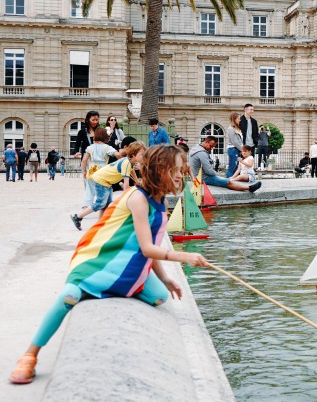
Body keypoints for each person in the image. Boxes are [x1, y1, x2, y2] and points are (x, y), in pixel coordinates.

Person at [9, 144, 212, 385]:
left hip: (131, 265)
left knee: (159, 297)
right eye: (177, 169)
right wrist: (184, 257)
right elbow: (148, 248)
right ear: (160, 169)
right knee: (69, 296)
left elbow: (152, 245)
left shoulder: (161, 201)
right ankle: (30, 354)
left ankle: (126, 284)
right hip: (100, 262)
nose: (181, 174)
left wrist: (165, 278)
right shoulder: (138, 198)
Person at [71, 141, 146, 230]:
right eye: (142, 154)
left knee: (106, 205)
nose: (144, 156)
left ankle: (100, 224)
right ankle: (78, 216)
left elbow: (131, 170)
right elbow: (126, 188)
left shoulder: (129, 162)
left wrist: (137, 181)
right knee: (100, 203)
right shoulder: (126, 164)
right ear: (133, 155)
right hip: (102, 180)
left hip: (105, 181)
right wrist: (136, 190)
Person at [189, 135, 262, 192]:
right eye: (211, 146)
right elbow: (208, 171)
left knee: (226, 180)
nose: (211, 148)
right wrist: (216, 174)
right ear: (206, 142)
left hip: (197, 177)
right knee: (227, 182)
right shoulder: (202, 153)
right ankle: (250, 188)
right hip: (203, 178)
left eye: (213, 147)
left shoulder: (195, 148)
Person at [226, 112, 243, 178]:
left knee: (236, 168)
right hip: (233, 149)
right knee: (232, 167)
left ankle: (233, 182)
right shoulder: (230, 129)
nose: (240, 120)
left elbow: (240, 141)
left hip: (237, 149)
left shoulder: (237, 128)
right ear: (234, 119)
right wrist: (242, 149)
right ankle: (227, 181)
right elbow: (234, 142)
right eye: (238, 118)